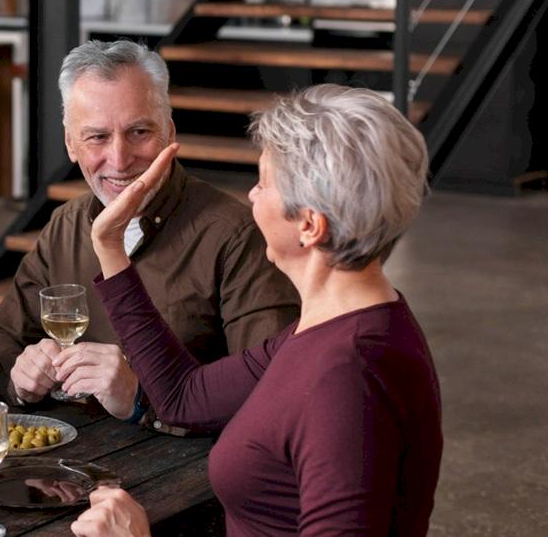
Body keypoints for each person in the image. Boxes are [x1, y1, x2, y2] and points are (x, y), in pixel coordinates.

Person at [71, 85, 442, 536]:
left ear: (308, 225)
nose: (251, 196)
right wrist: (111, 247)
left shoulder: (349, 374)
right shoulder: (335, 326)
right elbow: (182, 397)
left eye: (263, 182)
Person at [0, 40, 298, 423]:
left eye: (139, 131)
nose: (120, 159)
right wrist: (19, 374)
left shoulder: (235, 234)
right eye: (97, 137)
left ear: (169, 131)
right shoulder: (66, 223)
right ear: (70, 144)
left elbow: (271, 393)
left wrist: (140, 396)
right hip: (77, 462)